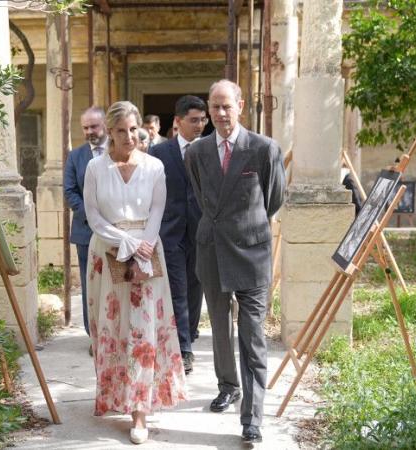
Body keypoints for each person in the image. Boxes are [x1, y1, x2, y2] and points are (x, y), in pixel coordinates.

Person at [185, 80, 286, 445]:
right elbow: (201, 196)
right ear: (209, 111)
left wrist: (246, 226)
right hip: (212, 251)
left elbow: (273, 200)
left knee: (252, 336)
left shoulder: (263, 149)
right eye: (215, 107)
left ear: (241, 106)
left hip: (251, 252)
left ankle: (252, 419)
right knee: (221, 330)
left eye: (227, 106)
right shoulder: (196, 153)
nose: (221, 114)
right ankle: (228, 385)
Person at [84, 101, 187, 445]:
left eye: (133, 129)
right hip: (108, 250)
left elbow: (158, 210)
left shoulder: (155, 166)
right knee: (113, 328)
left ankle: (140, 411)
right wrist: (125, 241)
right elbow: (94, 217)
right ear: (109, 133)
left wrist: (143, 245)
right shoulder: (95, 169)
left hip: (146, 252)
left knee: (144, 331)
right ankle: (116, 396)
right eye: (120, 131)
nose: (129, 137)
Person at [149, 95, 207, 375]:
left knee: (196, 289)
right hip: (170, 234)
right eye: (194, 120)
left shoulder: (209, 151)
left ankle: (190, 333)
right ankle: (183, 349)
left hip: (201, 233)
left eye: (202, 120)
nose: (200, 125)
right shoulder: (159, 153)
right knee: (177, 290)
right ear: (178, 121)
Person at [63, 106, 108, 351]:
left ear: (105, 126)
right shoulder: (76, 156)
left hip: (117, 232)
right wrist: (93, 216)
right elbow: (70, 191)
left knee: (116, 283)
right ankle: (96, 338)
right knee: (90, 285)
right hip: (86, 232)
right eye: (86, 128)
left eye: (94, 126)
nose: (90, 131)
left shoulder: (117, 151)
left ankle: (116, 333)